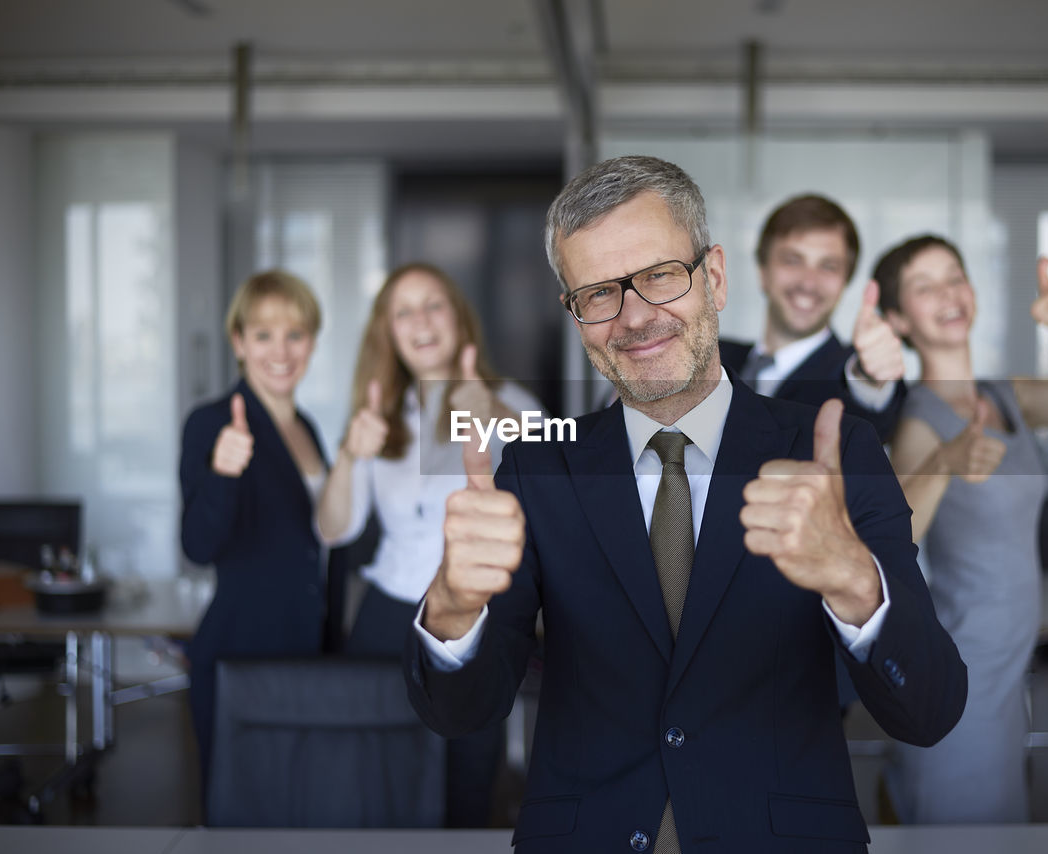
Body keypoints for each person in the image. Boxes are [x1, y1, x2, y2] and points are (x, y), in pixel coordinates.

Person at [407, 155, 967, 852]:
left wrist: (855, 581)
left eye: (660, 276)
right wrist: (454, 611)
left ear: (717, 278)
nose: (635, 318)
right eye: (598, 293)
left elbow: (931, 710)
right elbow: (464, 713)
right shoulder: (534, 468)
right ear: (575, 316)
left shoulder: (834, 453)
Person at [874, 235, 1048, 823]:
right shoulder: (919, 423)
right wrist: (943, 463)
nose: (948, 292)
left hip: (1008, 672)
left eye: (955, 275)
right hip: (961, 672)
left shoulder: (1003, 395)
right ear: (897, 318)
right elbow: (891, 542)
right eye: (924, 285)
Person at [316, 262, 542, 827]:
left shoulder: (511, 402)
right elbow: (332, 529)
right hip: (386, 617)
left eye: (433, 303)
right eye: (403, 310)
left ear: (458, 319)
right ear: (387, 332)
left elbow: (552, 469)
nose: (420, 320)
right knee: (376, 774)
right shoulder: (379, 419)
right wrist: (349, 453)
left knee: (468, 775)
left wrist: (486, 410)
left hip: (474, 618)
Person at [179, 270, 329, 801]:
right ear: (239, 342)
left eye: (295, 334)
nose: (281, 351)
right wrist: (222, 474)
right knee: (241, 816)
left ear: (312, 341)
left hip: (305, 652)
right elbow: (198, 546)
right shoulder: (212, 422)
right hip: (241, 654)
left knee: (297, 807)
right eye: (263, 334)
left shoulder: (307, 429)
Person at [720, 194, 907, 441]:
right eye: (792, 260)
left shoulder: (847, 375)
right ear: (763, 272)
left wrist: (869, 379)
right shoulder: (715, 355)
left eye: (828, 266)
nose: (809, 282)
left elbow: (872, 418)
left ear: (845, 281)